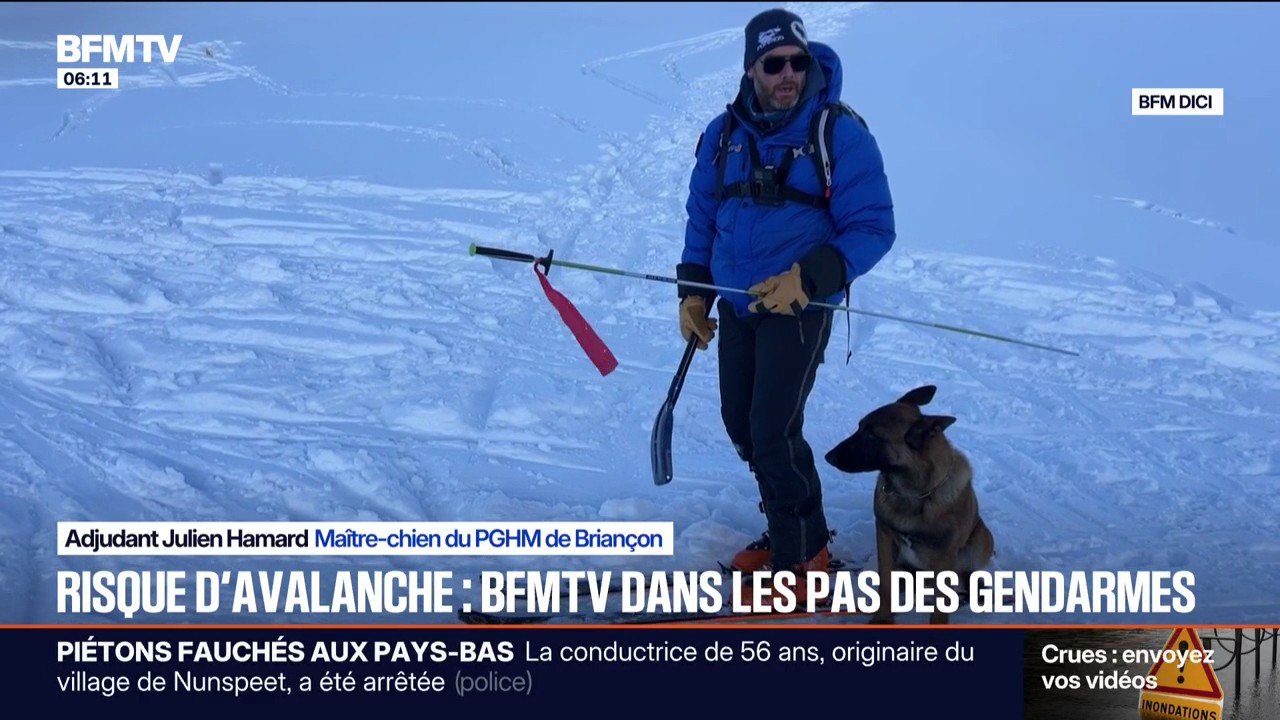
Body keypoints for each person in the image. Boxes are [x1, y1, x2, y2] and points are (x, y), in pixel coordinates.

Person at [676, 8, 896, 592]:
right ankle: (791, 529)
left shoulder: (837, 132)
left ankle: (803, 559)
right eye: (774, 64)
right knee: (742, 425)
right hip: (735, 301)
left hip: (799, 304)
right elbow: (702, 217)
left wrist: (809, 279)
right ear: (751, 69)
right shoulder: (723, 136)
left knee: (773, 427)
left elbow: (873, 226)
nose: (788, 74)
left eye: (798, 62)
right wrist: (694, 295)